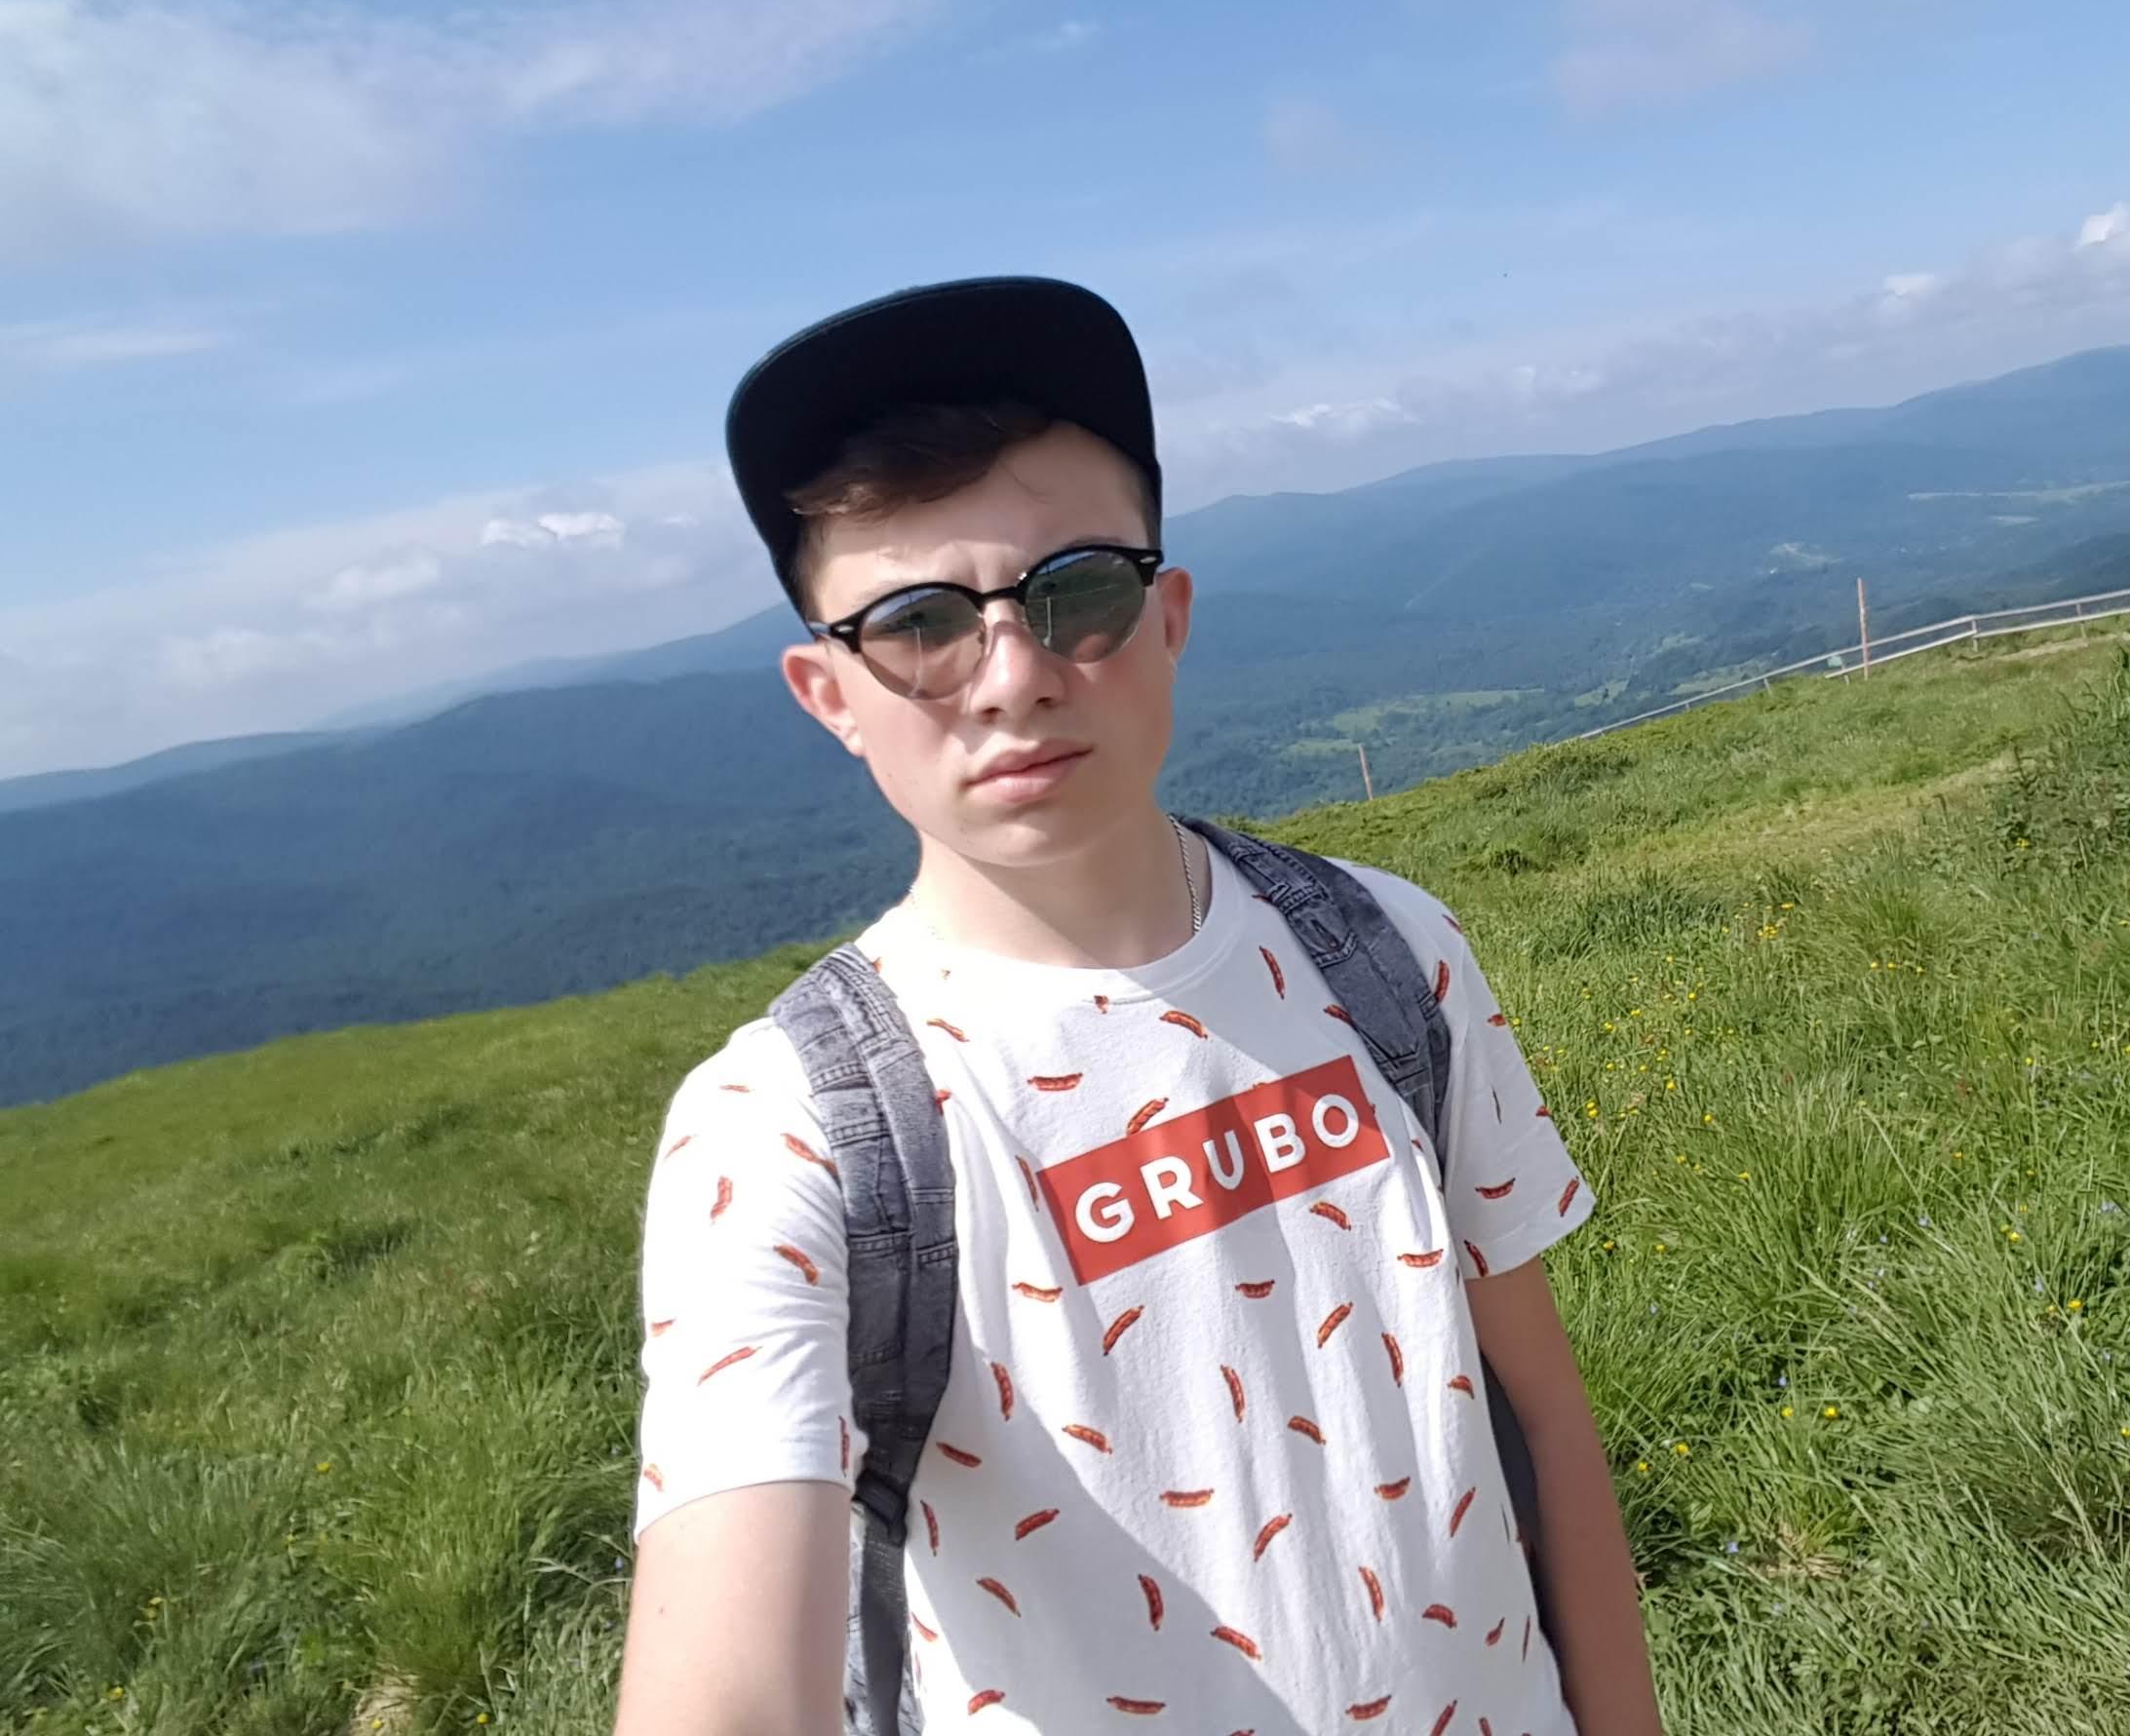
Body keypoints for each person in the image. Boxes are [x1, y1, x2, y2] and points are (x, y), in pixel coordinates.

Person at [612, 278, 1660, 1735]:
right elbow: (727, 1690)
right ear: (829, 693)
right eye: (917, 625)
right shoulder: (785, 1133)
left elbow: (1542, 1420)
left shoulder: (1388, 951)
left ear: (1167, 617)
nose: (1014, 678)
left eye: (1078, 592)